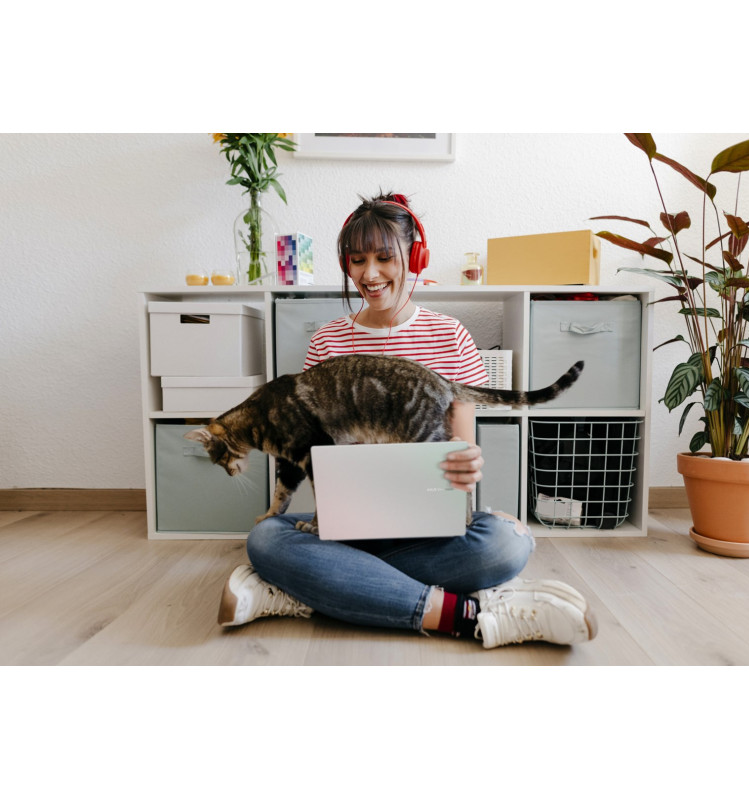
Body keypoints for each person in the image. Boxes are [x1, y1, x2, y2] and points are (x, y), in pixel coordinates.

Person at [217, 192, 597, 648]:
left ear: (414, 258)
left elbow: (462, 452)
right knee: (265, 539)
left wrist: (468, 465)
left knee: (506, 543)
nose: (369, 274)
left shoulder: (451, 336)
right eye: (357, 260)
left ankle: (311, 589)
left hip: (425, 529)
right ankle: (465, 614)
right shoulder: (327, 341)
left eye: (384, 257)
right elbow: (318, 454)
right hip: (348, 528)